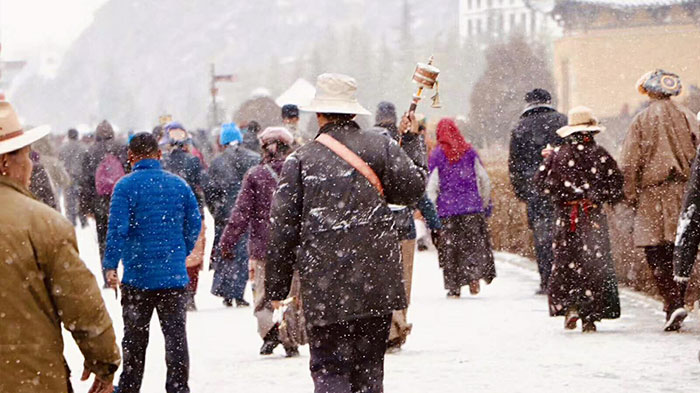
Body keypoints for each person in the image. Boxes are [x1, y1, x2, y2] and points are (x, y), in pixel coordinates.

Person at [265, 73, 427, 392]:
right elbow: (412, 190)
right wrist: (412, 143)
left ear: (319, 113)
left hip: (324, 285)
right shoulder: (380, 146)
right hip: (375, 281)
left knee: (328, 367)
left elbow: (283, 229)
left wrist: (277, 288)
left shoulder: (300, 160)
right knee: (369, 370)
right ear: (354, 112)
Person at [0, 101, 120, 393]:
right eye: (27, 156)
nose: (30, 164)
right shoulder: (42, 223)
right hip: (28, 377)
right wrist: (103, 361)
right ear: (5, 163)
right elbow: (81, 303)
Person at [104, 132, 201, 393]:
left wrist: (111, 264)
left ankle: (129, 387)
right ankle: (178, 388)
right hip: (173, 278)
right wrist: (180, 251)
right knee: (176, 340)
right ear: (160, 155)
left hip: (137, 278)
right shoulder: (179, 185)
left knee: (134, 341)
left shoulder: (124, 187)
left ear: (130, 157)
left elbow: (117, 229)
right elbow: (194, 223)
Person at [620, 69, 698, 331]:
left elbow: (630, 161)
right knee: (682, 249)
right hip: (684, 193)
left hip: (652, 194)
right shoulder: (688, 117)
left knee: (656, 252)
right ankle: (678, 299)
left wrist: (630, 194)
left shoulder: (641, 120)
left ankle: (671, 300)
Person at [534, 106, 623, 332]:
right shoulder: (601, 154)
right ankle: (591, 315)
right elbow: (616, 186)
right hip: (592, 217)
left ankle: (571, 306)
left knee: (567, 263)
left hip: (566, 219)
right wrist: (598, 197)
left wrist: (550, 163)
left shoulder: (559, 155)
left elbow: (540, 184)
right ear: (592, 132)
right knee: (594, 264)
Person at [219, 126, 305, 357]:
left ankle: (269, 333)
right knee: (290, 293)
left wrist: (227, 241)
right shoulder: (299, 172)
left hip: (263, 246)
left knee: (263, 294)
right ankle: (290, 337)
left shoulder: (255, 175)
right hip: (293, 245)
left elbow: (240, 213)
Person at [369, 122, 441, 352]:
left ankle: (386, 328)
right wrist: (435, 223)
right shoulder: (399, 167)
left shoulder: (364, 170)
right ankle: (396, 327)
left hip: (376, 234)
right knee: (400, 283)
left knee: (379, 282)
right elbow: (419, 195)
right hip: (402, 233)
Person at [428, 118, 496, 298]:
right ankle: (473, 276)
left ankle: (454, 286)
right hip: (471, 209)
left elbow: (432, 186)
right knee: (472, 245)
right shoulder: (469, 152)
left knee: (450, 249)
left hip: (447, 211)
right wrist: (483, 203)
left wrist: (431, 212)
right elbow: (484, 180)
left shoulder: (437, 155)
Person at [509, 88, 567, 294]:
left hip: (535, 189)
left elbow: (514, 165)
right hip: (562, 188)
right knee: (564, 233)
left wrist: (522, 192)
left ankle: (547, 280)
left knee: (542, 236)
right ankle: (566, 278)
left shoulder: (520, 127)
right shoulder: (562, 122)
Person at [204, 122, 260, 307]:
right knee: (244, 253)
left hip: (225, 214)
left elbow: (210, 191)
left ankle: (226, 290)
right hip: (248, 214)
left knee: (227, 252)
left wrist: (217, 211)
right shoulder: (253, 158)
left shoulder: (217, 162)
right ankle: (238, 291)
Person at [161, 122, 207, 311]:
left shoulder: (163, 163)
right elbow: (204, 185)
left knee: (171, 252)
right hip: (192, 211)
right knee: (193, 255)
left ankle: (175, 291)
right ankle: (190, 293)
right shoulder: (194, 161)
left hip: (168, 214)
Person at [79, 120, 128, 287]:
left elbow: (85, 181)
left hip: (100, 202)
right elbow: (129, 173)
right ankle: (127, 273)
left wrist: (86, 206)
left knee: (103, 240)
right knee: (125, 236)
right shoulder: (122, 148)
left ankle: (108, 275)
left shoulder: (90, 152)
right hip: (121, 199)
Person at [59, 128, 89, 226]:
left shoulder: (63, 148)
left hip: (67, 176)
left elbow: (60, 162)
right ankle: (83, 219)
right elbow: (87, 163)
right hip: (80, 177)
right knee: (81, 199)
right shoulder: (83, 147)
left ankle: (71, 220)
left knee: (69, 200)